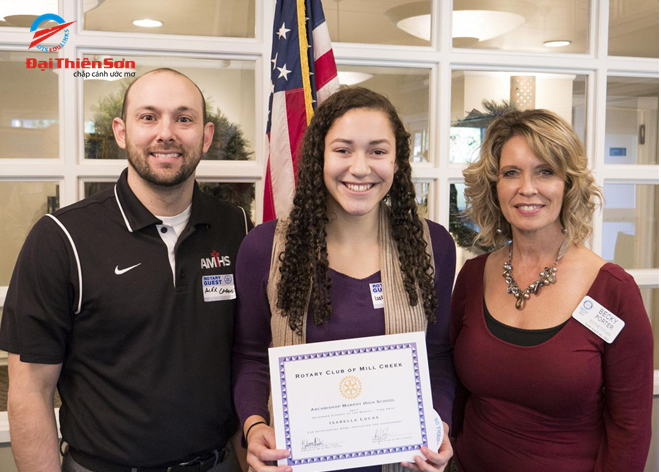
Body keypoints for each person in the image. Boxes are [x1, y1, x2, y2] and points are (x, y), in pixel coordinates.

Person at [0, 68, 252, 472]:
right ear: (121, 131)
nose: (166, 133)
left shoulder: (238, 229)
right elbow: (31, 389)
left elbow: (250, 356)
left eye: (183, 118)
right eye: (148, 117)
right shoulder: (61, 238)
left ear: (206, 136)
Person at [232, 87, 457, 472]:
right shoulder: (263, 248)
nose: (359, 167)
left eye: (377, 151)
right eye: (343, 149)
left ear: (397, 162)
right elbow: (251, 355)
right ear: (319, 157)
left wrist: (439, 428)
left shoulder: (432, 245)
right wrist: (254, 427)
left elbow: (435, 355)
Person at [450, 109, 653, 472]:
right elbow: (457, 397)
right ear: (495, 187)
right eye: (511, 173)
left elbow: (629, 429)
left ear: (568, 184)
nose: (527, 188)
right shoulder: (472, 276)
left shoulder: (613, 291)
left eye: (545, 172)